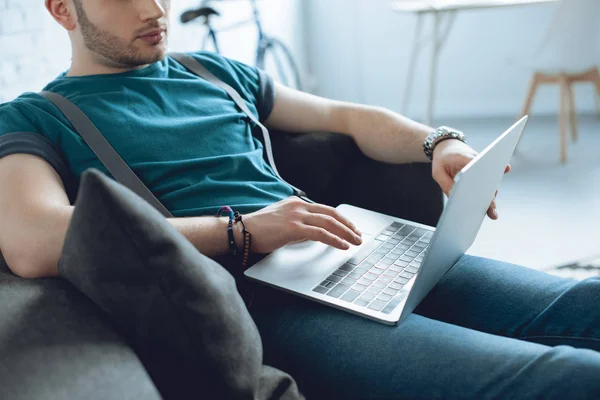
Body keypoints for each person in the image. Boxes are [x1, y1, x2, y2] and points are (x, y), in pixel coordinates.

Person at [0, 1, 598, 398]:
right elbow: (34, 241)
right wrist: (246, 230)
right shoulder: (35, 118)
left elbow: (348, 116)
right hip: (266, 299)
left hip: (353, 252)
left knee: (583, 305)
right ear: (61, 9)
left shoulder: (209, 70)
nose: (157, 9)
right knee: (560, 378)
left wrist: (436, 143)